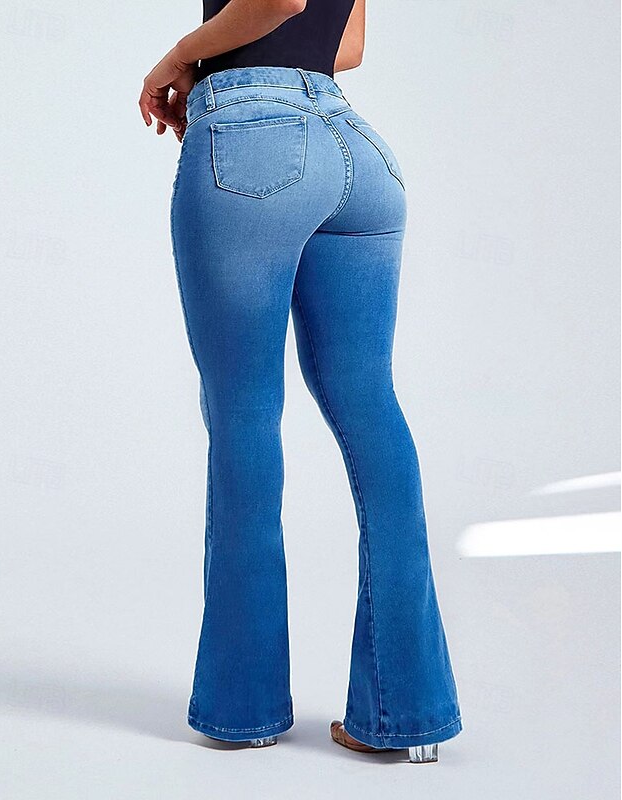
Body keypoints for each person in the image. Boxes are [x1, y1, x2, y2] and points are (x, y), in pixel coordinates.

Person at [138, 0, 462, 763]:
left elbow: (279, 1)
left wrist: (181, 57)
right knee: (370, 407)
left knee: (244, 414)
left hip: (254, 139)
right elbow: (346, 46)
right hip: (358, 152)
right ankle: (407, 713)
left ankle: (244, 708)